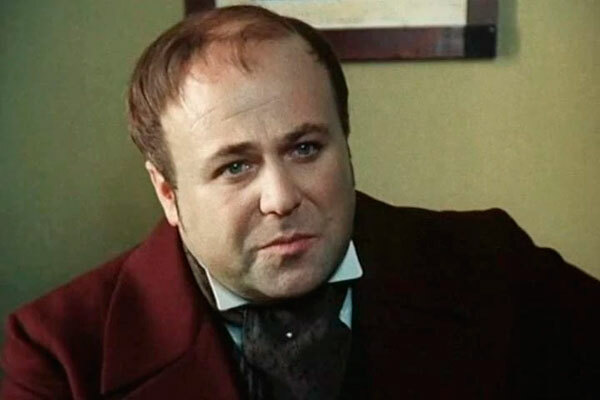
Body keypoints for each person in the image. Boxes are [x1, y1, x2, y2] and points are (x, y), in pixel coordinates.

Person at [1, 5, 599, 399]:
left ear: (346, 140)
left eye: (306, 148)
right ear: (168, 192)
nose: (282, 198)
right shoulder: (56, 354)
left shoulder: (494, 266)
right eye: (235, 167)